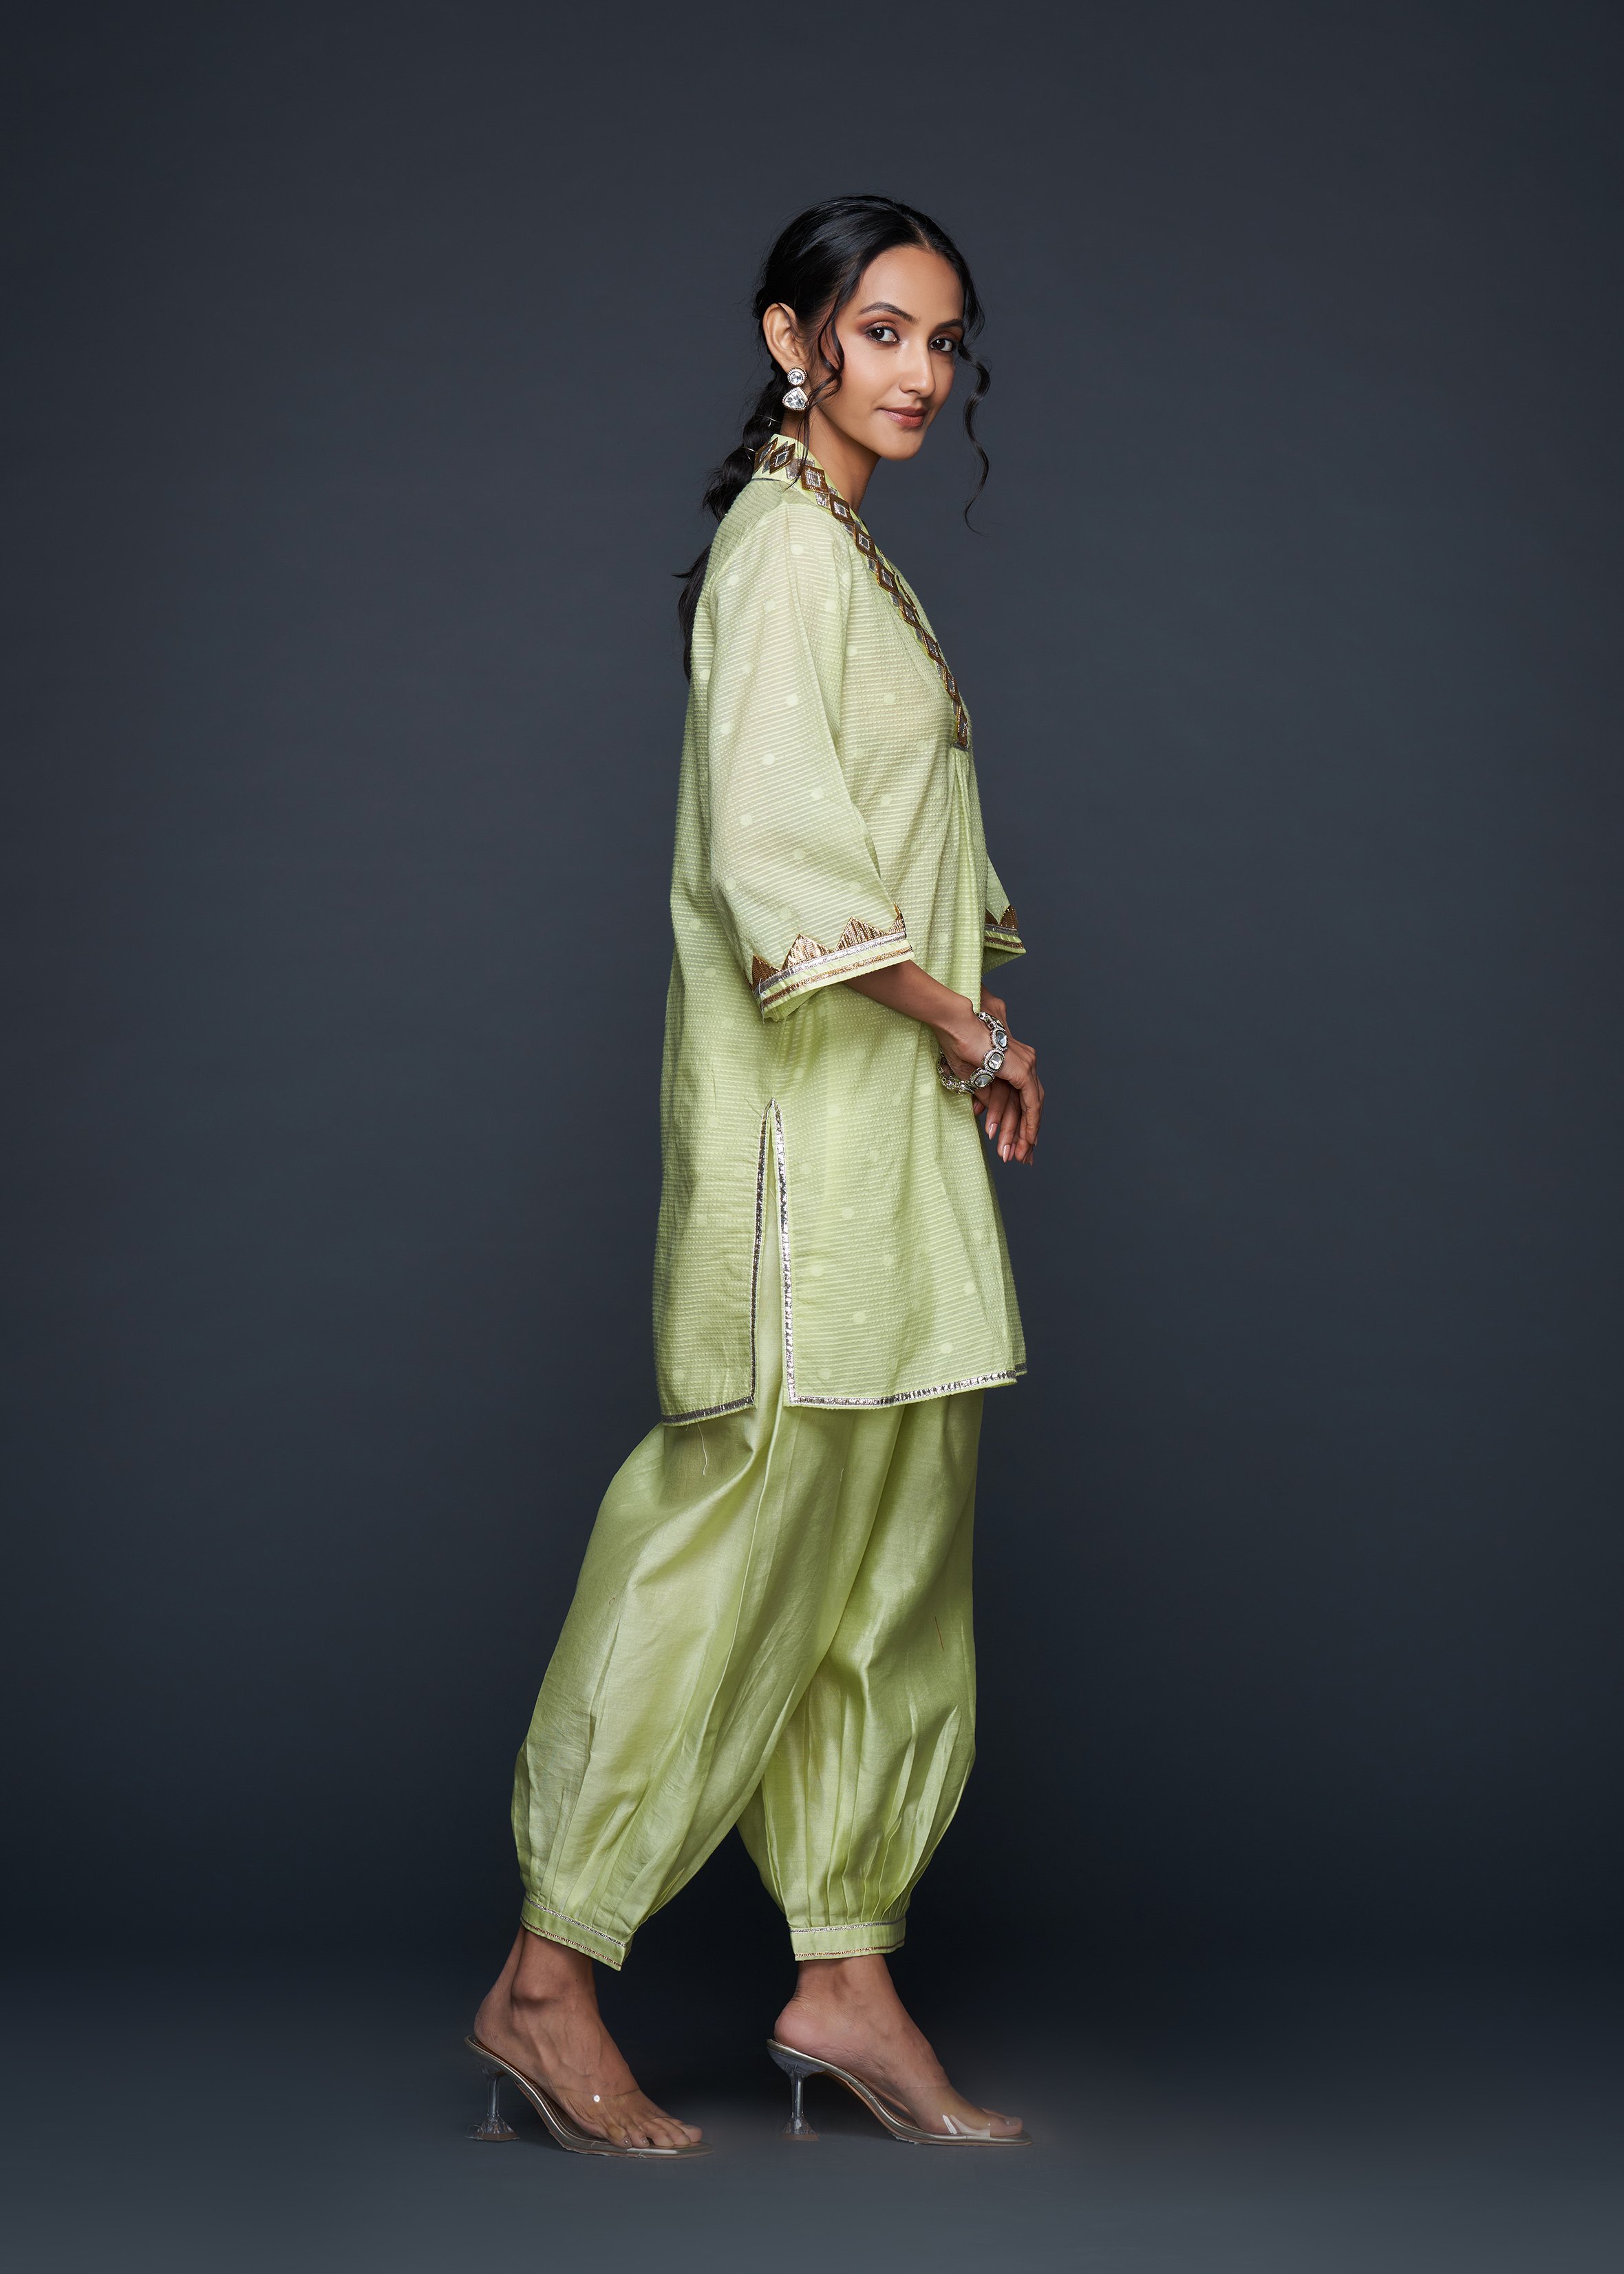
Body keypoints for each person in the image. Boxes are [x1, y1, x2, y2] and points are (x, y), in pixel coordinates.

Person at [467, 195, 1043, 2158]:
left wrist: (972, 1034)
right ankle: (548, 1978)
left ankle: (845, 1977)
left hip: (894, 1137)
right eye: (881, 331)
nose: (920, 373)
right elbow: (777, 866)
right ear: (791, 342)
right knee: (735, 1535)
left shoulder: (854, 559)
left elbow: (905, 845)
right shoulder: (784, 550)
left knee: (891, 1548)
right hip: (805, 1144)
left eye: (943, 342)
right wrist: (967, 1027)